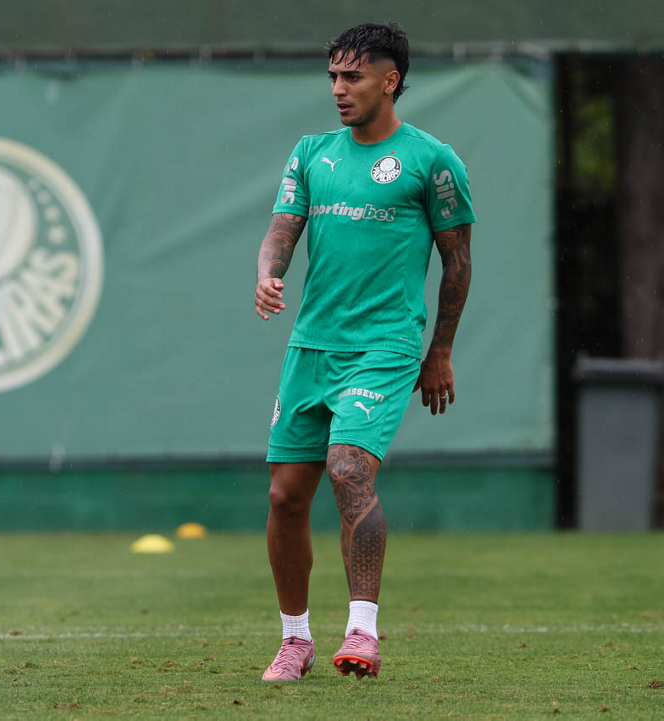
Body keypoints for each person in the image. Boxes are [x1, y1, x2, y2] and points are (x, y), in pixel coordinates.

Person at [253, 23, 474, 681]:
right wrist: (269, 272)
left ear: (390, 79)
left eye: (352, 77)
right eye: (332, 77)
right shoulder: (311, 152)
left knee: (349, 468)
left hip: (385, 346)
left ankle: (362, 631)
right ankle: (296, 639)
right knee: (286, 495)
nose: (339, 89)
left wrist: (440, 351)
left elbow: (458, 263)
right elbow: (281, 230)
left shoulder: (432, 160)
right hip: (312, 346)